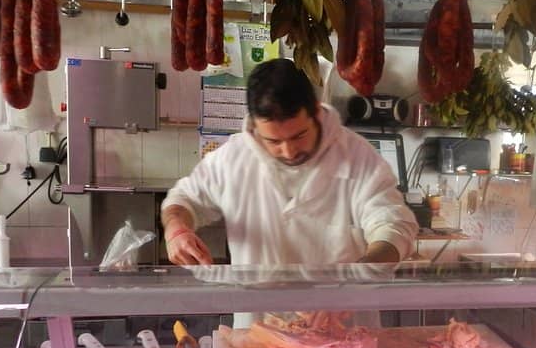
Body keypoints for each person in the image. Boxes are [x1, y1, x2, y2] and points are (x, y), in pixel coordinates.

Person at [161, 58, 417, 272]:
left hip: (343, 312)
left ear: (316, 111)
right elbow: (184, 200)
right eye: (273, 141)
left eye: (298, 135)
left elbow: (394, 227)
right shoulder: (233, 158)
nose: (288, 151)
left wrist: (355, 280)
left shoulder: (357, 156)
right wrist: (177, 231)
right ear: (255, 126)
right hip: (259, 314)